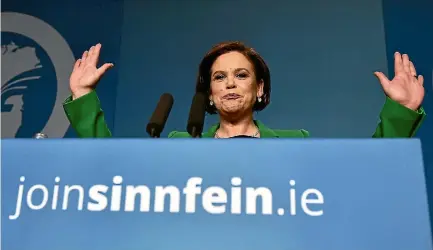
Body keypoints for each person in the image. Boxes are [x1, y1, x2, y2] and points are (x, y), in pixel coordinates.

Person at [63, 42, 426, 138]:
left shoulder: (295, 142)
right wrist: (82, 97)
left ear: (260, 89)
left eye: (241, 75)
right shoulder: (177, 144)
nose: (230, 84)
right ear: (208, 93)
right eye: (219, 78)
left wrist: (401, 113)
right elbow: (111, 180)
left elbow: (364, 183)